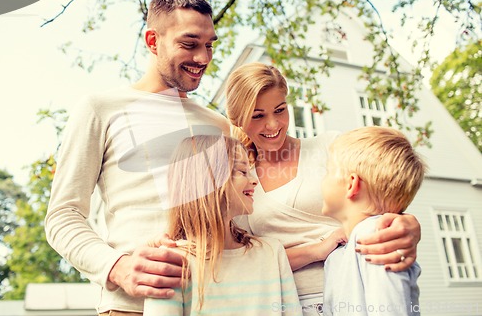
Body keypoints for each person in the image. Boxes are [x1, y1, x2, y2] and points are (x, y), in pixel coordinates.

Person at [45, 0, 230, 315]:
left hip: (218, 302)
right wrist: (117, 267)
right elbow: (62, 216)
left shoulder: (220, 126)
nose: (203, 58)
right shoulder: (100, 108)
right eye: (189, 44)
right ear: (152, 41)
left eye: (209, 45)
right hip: (133, 307)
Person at [225, 62, 422, 315]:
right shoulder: (241, 182)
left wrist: (407, 222)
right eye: (258, 116)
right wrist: (316, 250)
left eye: (280, 110)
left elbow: (385, 190)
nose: (273, 125)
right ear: (237, 120)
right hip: (287, 303)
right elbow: (248, 260)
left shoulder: (329, 147)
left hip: (356, 290)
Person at [144, 135, 302, 315]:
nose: (254, 180)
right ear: (208, 181)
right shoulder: (170, 264)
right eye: (243, 172)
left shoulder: (272, 252)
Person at [321, 126, 425, 315]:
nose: (322, 180)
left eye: (328, 172)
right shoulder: (337, 256)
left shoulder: (377, 238)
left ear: (351, 184)